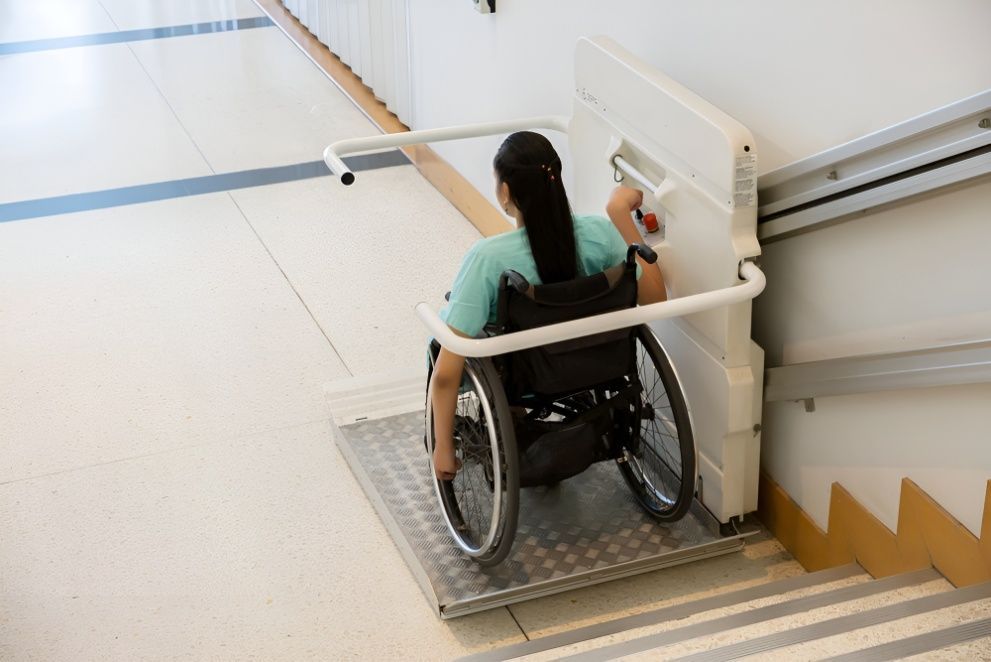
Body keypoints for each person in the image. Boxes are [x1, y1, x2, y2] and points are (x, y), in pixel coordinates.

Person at [430, 131, 667, 480]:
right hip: (593, 362)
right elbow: (655, 298)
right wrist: (619, 214)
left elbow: (447, 371)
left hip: (524, 373)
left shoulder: (488, 259)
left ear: (506, 192)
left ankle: (514, 417)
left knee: (443, 335)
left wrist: (443, 448)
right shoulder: (598, 234)